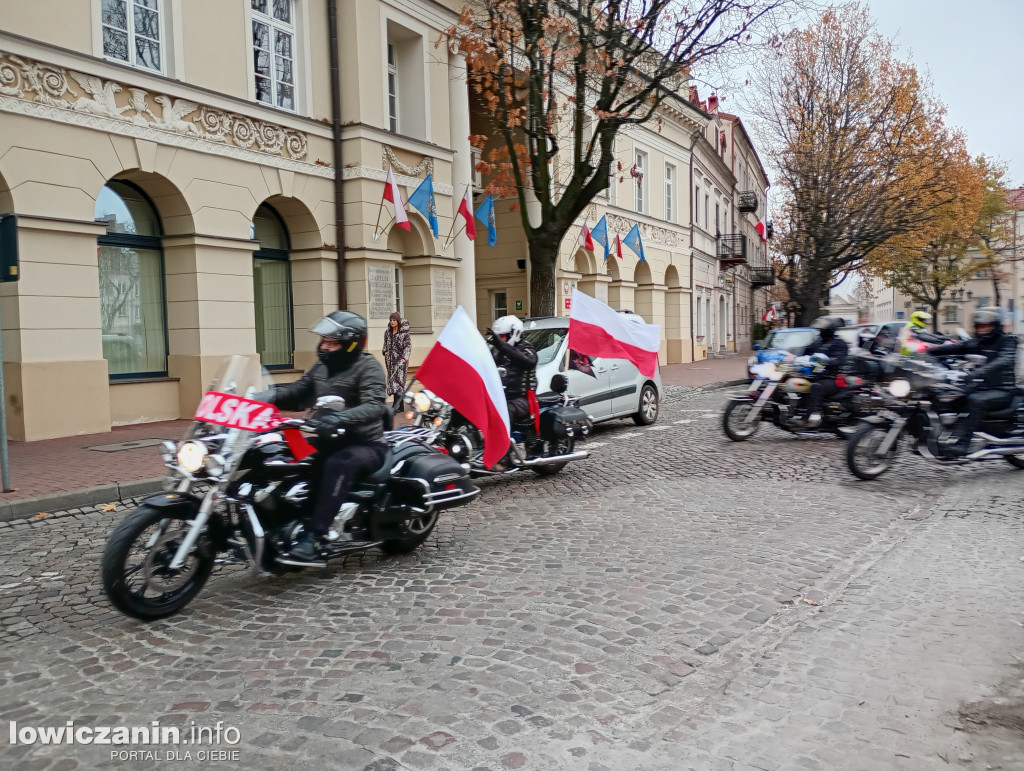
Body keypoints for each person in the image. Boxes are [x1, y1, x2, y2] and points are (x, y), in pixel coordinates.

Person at [261, 311, 389, 563]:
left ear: (353, 343)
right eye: (324, 341)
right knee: (278, 453)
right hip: (325, 438)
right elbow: (299, 390)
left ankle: (315, 536)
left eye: (333, 343)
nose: (325, 347)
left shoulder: (368, 367)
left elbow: (374, 405)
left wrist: (340, 418)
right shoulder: (322, 367)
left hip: (364, 444)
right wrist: (263, 395)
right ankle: (277, 524)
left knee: (338, 463)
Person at [928, 307, 1018, 457]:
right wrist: (928, 351)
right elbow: (957, 348)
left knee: (974, 400)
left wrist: (979, 372)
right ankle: (945, 435)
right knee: (950, 395)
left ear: (995, 326)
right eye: (979, 327)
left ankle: (963, 445)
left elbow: (1003, 360)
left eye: (986, 326)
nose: (982, 330)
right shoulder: (979, 342)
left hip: (1002, 389)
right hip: (982, 387)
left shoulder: (1008, 341)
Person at [793, 320, 849, 427]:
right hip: (816, 376)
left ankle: (805, 419)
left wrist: (825, 361)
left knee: (816, 387)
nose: (821, 332)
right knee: (797, 382)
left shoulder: (839, 343)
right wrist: (794, 358)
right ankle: (794, 411)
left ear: (830, 331)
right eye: (820, 330)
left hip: (833, 378)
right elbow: (806, 351)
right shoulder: (818, 342)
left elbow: (840, 360)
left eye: (823, 330)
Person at [487, 315, 538, 427]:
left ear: (514, 333)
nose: (500, 339)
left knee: (504, 413)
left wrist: (500, 345)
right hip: (500, 397)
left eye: (502, 336)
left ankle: (504, 443)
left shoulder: (527, 348)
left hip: (522, 399)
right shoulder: (496, 351)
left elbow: (528, 361)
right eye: (498, 337)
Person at [382, 311, 411, 414]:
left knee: (398, 383)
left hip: (400, 361)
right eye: (391, 320)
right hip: (390, 361)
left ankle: (394, 406)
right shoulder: (387, 332)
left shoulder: (404, 333)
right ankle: (401, 406)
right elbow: (385, 343)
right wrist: (385, 351)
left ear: (398, 321)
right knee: (392, 382)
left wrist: (404, 358)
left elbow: (408, 346)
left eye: (394, 320)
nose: (392, 322)